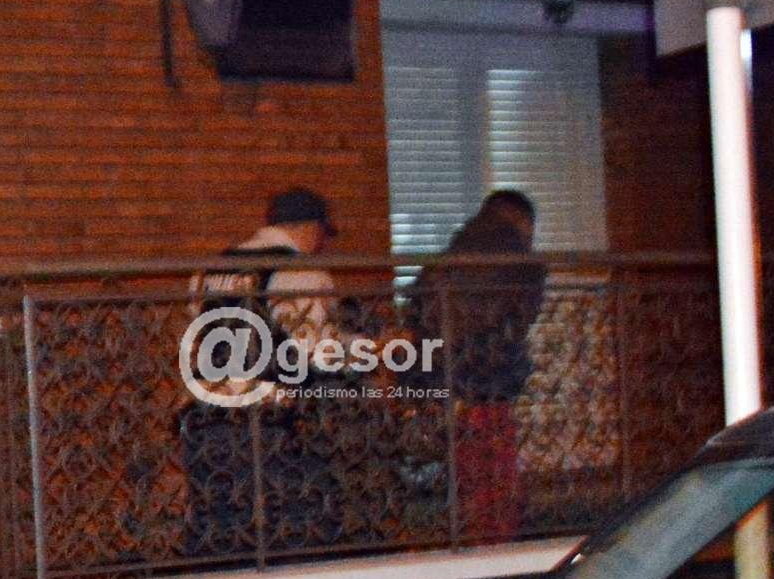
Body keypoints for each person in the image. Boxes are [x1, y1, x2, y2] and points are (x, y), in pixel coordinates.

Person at [180, 187, 377, 559]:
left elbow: (198, 332)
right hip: (274, 422)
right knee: (296, 530)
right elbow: (317, 351)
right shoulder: (300, 271)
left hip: (210, 418)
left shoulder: (210, 269)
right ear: (312, 228)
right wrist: (369, 351)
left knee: (223, 532)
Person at [410, 189, 548, 541]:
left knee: (466, 472)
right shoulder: (520, 261)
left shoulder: (452, 254)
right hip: (490, 381)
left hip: (444, 381)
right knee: (496, 475)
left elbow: (417, 309)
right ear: (522, 221)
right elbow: (517, 319)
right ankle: (496, 540)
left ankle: (467, 537)